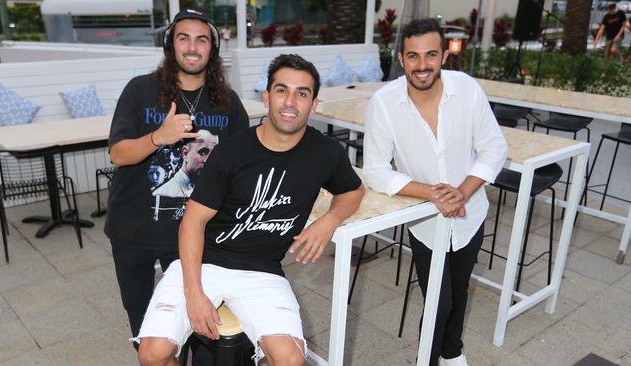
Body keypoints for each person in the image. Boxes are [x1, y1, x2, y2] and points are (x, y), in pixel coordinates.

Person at [134, 54, 365, 366]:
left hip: (262, 270)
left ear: (314, 104)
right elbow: (193, 221)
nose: (290, 102)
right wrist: (194, 292)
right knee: (152, 353)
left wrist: (330, 220)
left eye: (302, 93)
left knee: (291, 361)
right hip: (206, 262)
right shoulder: (232, 151)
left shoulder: (326, 153)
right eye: (282, 90)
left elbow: (353, 191)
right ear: (267, 97)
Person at [362, 19, 507, 366]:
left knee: (458, 292)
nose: (422, 65)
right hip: (426, 221)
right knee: (439, 302)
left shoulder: (466, 89)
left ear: (443, 55)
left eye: (430, 54)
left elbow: (494, 148)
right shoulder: (384, 103)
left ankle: (452, 352)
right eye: (413, 56)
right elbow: (375, 171)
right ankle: (427, 359)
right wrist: (433, 193)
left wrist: (462, 192)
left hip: (470, 214)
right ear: (401, 58)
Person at [105, 8, 249, 354]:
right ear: (171, 46)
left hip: (192, 234)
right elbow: (118, 154)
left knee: (192, 320)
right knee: (143, 324)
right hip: (133, 230)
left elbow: (243, 167)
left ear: (212, 49)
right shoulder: (140, 91)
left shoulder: (228, 104)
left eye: (202, 40)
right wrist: (159, 136)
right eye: (183, 38)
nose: (192, 47)